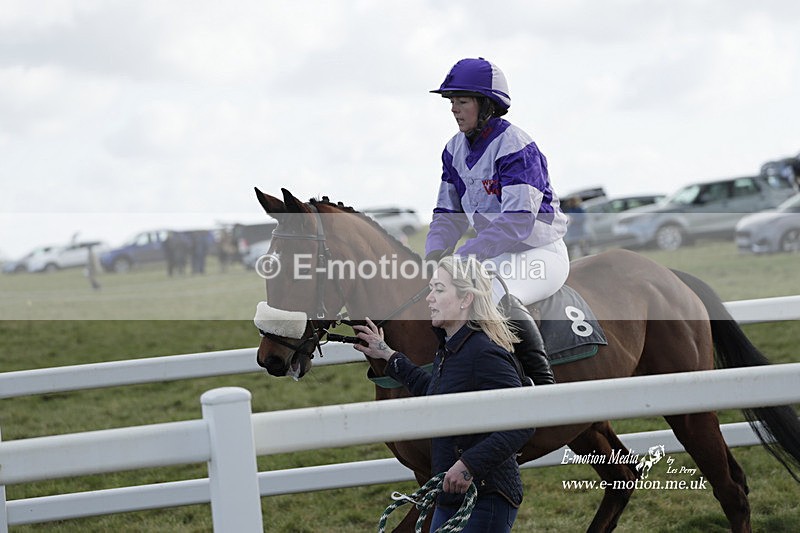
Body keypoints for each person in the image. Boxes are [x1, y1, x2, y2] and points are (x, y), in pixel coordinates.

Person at [354, 256, 535, 532]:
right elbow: (437, 394)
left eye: (439, 289)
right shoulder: (450, 349)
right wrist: (388, 355)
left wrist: (468, 465)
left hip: (486, 499)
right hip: (452, 497)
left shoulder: (485, 352)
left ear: (465, 300)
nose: (429, 298)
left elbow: (523, 421)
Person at [425, 57, 569, 385]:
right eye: (451, 101)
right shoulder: (453, 150)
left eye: (461, 101)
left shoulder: (516, 145)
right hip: (494, 254)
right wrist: (435, 255)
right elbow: (448, 213)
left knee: (494, 296)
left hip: (540, 251)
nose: (453, 109)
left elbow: (518, 221)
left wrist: (463, 257)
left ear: (487, 105)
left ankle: (541, 383)